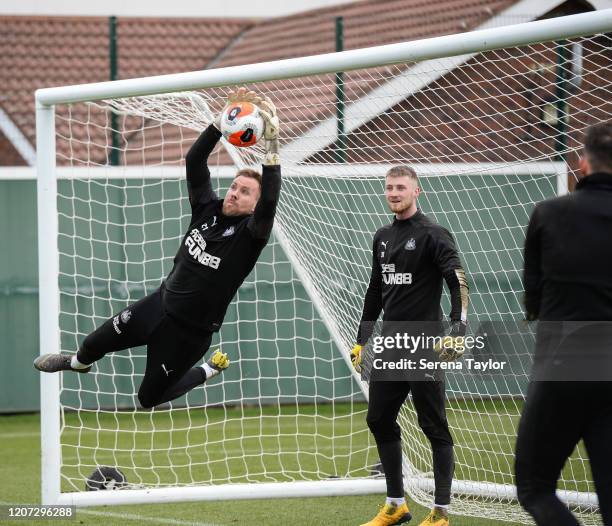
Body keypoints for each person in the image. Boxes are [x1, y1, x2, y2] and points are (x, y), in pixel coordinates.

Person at [34, 88, 281, 409]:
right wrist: (221, 122)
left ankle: (207, 369)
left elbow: (271, 202)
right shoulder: (207, 207)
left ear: (254, 205)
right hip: (159, 304)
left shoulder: (251, 235)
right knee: (92, 343)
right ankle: (78, 364)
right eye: (234, 185)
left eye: (245, 192)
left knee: (148, 398)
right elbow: (195, 160)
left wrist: (272, 150)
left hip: (188, 335)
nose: (234, 193)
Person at [351, 166, 469, 526]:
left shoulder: (434, 234)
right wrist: (362, 339)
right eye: (388, 187)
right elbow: (375, 290)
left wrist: (459, 327)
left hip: (423, 345)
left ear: (417, 191)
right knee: (379, 418)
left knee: (433, 425)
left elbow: (457, 279)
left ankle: (440, 513)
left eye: (400, 187)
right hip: (389, 345)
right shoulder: (382, 236)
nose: (393, 193)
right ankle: (396, 504)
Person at [515, 121, 612, 525]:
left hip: (565, 362)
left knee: (535, 486)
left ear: (581, 161)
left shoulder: (549, 213)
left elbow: (533, 301)